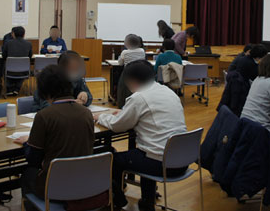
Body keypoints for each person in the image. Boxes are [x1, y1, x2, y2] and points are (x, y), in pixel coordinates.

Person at [96, 60, 187, 211]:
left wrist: (100, 117)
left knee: (113, 159)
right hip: (181, 159)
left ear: (131, 80)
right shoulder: (167, 91)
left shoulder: (139, 97)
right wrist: (126, 114)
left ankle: (119, 203)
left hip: (161, 163)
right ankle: (147, 201)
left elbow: (117, 126)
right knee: (145, 151)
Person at [16, 65, 94, 210]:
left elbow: (33, 158)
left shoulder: (44, 116)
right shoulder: (86, 113)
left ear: (44, 91)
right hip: (83, 181)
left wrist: (28, 143)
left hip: (54, 184)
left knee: (27, 174)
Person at [2, 26, 33, 95]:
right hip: (24, 72)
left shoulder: (8, 43)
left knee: (5, 67)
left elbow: (4, 56)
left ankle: (9, 88)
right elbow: (30, 57)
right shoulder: (29, 44)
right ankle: (17, 88)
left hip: (9, 71)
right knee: (22, 67)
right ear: (24, 34)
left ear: (13, 34)